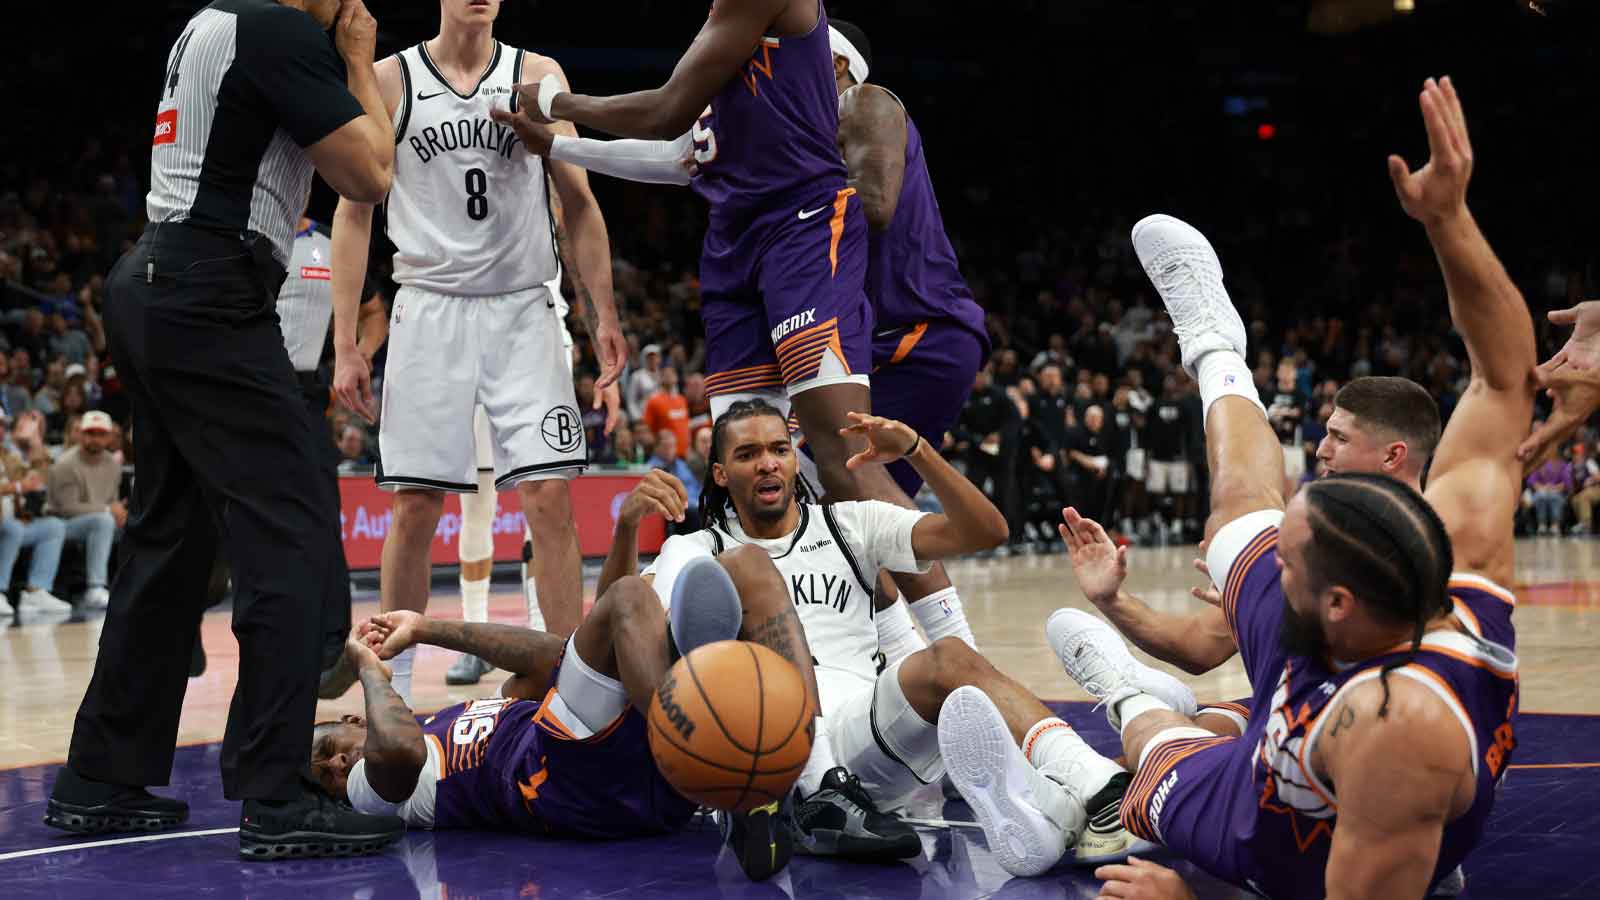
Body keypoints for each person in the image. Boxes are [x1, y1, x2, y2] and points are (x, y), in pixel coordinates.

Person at [1050, 78, 1532, 900]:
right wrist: (1448, 220)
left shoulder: (1391, 730)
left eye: (1289, 558)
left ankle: (1126, 692)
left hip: (1282, 835)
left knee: (1159, 751)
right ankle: (1215, 344)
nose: (1270, 563)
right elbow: (1499, 381)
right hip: (1354, 712)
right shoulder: (1460, 559)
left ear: (1332, 600)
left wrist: (1190, 898)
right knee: (1239, 517)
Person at [48, 0, 407, 859]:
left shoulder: (210, 21)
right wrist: (358, 56)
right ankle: (276, 793)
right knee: (290, 523)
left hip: (158, 279)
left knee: (170, 542)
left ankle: (100, 776)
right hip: (211, 285)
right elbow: (371, 173)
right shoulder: (282, 30)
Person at [608, 401, 1170, 880]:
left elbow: (987, 531)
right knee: (742, 593)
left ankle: (1101, 790)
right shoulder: (697, 548)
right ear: (721, 474)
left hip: (869, 739)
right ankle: (1043, 805)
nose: (767, 463)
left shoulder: (851, 525)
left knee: (950, 657)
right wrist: (627, 529)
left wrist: (917, 451)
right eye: (747, 454)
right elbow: (621, 618)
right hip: (766, 741)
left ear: (793, 456)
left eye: (778, 448)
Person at [495, 0, 910, 528]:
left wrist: (556, 101)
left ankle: (940, 614)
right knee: (744, 466)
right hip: (734, 252)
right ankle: (797, 604)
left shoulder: (849, 103)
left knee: (841, 454)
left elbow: (666, 109)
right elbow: (677, 155)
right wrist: (557, 146)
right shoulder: (729, 79)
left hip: (801, 232)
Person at [330, 0, 627, 706]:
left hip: (524, 308)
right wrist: (346, 339)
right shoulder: (389, 79)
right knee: (416, 505)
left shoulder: (536, 76)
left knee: (551, 499)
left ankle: (570, 692)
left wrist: (603, 316)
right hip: (430, 308)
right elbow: (352, 207)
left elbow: (579, 203)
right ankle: (389, 696)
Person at [313, 544, 815, 869]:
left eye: (330, 748)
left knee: (745, 567)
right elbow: (397, 749)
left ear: (353, 721)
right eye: (326, 775)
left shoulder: (459, 719)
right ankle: (718, 757)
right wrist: (368, 669)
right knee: (626, 599)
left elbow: (548, 655)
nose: (336, 764)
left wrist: (425, 627)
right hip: (558, 784)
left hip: (605, 758)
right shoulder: (373, 788)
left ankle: (800, 776)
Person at [451, 187, 620, 687]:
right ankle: (475, 637)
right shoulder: (460, 177)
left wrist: (601, 349)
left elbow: (580, 254)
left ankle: (543, 633)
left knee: (542, 499)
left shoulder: (548, 186)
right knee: (475, 502)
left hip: (542, 341)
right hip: (469, 340)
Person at [273, 210, 388, 698]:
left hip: (304, 391)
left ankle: (329, 648)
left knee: (321, 516)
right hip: (242, 385)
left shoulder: (330, 241)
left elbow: (374, 311)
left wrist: (355, 356)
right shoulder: (243, 230)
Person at [45, 410, 125, 609]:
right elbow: (67, 508)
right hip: (61, 524)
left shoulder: (112, 465)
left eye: (100, 434)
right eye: (90, 433)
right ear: (80, 435)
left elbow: (112, 501)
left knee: (135, 525)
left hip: (98, 521)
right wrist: (108, 510)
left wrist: (118, 513)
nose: (95, 439)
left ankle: (135, 587)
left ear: (109, 437)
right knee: (104, 521)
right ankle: (95, 588)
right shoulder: (66, 464)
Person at [0, 412, 66, 615]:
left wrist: (35, 442)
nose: (1, 430)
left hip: (12, 521)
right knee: (12, 529)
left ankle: (36, 591)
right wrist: (18, 487)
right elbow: (21, 485)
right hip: (6, 525)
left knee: (53, 527)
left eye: (2, 425)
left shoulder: (8, 456)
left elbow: (38, 478)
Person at [642, 365, 690, 459]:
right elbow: (647, 429)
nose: (669, 376)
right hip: (664, 456)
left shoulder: (682, 400)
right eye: (665, 374)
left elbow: (686, 426)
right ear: (660, 378)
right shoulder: (653, 401)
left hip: (683, 454)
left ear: (676, 378)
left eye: (672, 373)